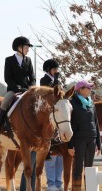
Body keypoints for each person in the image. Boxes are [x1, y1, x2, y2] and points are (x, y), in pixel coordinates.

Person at [0, 36, 35, 142]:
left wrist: (30, 87)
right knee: (4, 104)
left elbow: (32, 77)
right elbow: (7, 77)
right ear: (19, 47)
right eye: (26, 47)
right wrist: (17, 88)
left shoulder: (28, 60)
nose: (28, 49)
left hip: (27, 90)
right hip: (13, 90)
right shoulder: (9, 60)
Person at [67, 80, 101, 190]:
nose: (90, 89)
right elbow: (69, 125)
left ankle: (89, 188)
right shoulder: (71, 103)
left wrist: (99, 144)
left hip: (91, 140)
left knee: (89, 168)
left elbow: (96, 123)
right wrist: (70, 145)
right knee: (77, 169)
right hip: (78, 140)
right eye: (88, 87)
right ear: (81, 89)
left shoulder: (91, 103)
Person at [40, 59, 63, 191]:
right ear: (49, 69)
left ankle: (58, 183)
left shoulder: (56, 79)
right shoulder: (44, 80)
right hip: (47, 110)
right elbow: (50, 92)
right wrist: (56, 81)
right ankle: (51, 184)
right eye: (55, 69)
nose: (57, 71)